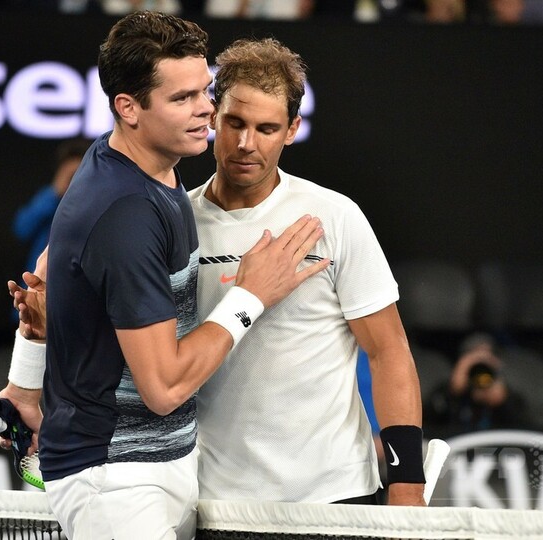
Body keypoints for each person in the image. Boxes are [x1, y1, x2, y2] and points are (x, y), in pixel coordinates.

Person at [0, 11, 328, 540]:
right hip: (116, 485)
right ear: (128, 108)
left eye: (205, 91)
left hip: (159, 465)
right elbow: (164, 387)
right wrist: (250, 296)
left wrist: (25, 383)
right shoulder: (127, 215)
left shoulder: (134, 163)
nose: (207, 110)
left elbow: (46, 272)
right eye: (182, 98)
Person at [188, 37, 425, 506]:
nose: (246, 144)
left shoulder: (335, 217)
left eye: (267, 128)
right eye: (235, 123)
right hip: (214, 500)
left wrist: (407, 484)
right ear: (213, 115)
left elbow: (388, 351)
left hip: (336, 494)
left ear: (292, 129)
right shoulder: (175, 223)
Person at [12, 137, 91, 288]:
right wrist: (55, 191)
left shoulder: (99, 206)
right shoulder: (49, 199)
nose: (75, 180)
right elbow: (21, 229)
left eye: (80, 173)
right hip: (39, 290)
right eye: (70, 175)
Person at [425, 333, 524, 432]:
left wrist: (503, 402)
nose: (480, 368)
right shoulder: (447, 392)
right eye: (474, 360)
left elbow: (524, 430)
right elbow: (428, 422)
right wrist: (452, 392)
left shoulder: (508, 395)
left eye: (486, 360)